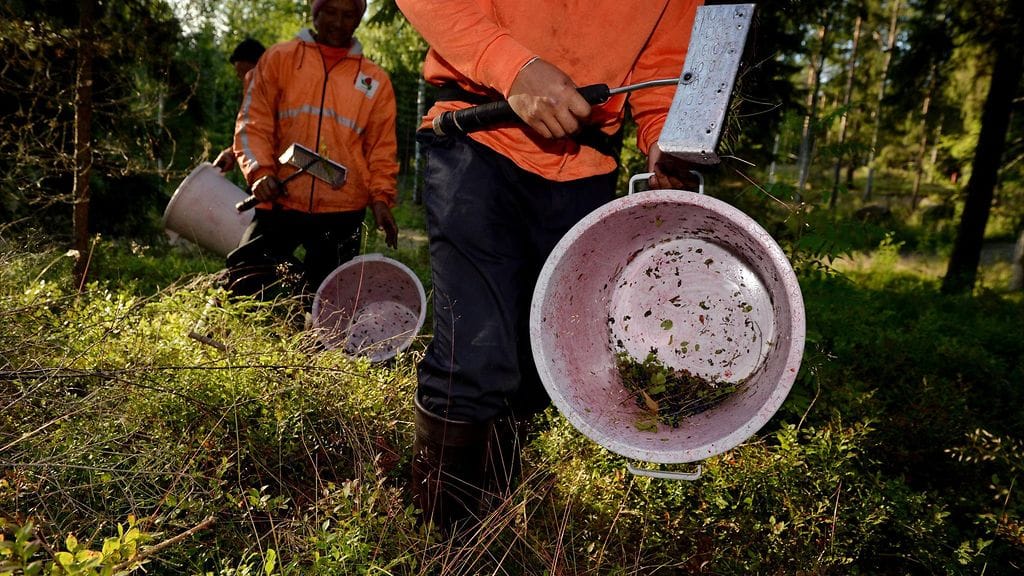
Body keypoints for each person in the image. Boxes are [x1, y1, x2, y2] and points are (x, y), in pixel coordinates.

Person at [395, 0, 704, 532]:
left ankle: (495, 528)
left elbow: (665, 63)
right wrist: (511, 67)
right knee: (475, 353)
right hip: (477, 133)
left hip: (586, 168)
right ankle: (438, 538)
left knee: (539, 361)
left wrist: (663, 138)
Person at [226, 0, 399, 306]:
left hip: (342, 209)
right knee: (245, 277)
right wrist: (259, 172)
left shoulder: (375, 80)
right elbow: (254, 123)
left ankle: (312, 329)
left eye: (348, 14)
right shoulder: (279, 59)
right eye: (330, 12)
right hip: (281, 198)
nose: (338, 22)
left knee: (330, 301)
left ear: (358, 19)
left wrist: (381, 199)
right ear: (315, 13)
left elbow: (381, 149)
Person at [214, 38, 266, 173]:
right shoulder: (254, 100)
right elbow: (253, 131)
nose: (245, 81)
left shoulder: (278, 95)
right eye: (240, 76)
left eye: (248, 74)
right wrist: (232, 153)